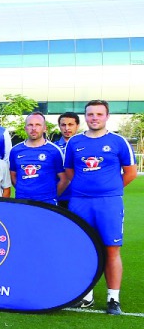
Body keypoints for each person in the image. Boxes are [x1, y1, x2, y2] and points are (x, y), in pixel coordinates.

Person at [64, 100, 136, 314]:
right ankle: (86, 296)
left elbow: (130, 173)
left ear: (107, 116)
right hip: (80, 202)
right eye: (90, 114)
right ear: (85, 117)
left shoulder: (118, 141)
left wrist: (109, 188)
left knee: (111, 249)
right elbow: (69, 171)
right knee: (84, 248)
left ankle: (113, 298)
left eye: (99, 114)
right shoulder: (75, 143)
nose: (94, 117)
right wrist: (84, 189)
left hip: (109, 203)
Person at [9, 113, 67, 204]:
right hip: (22, 201)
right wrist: (24, 191)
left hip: (47, 202)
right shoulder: (15, 150)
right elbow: (13, 175)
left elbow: (64, 179)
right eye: (30, 125)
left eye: (38, 125)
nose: (34, 128)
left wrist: (52, 196)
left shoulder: (54, 150)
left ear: (45, 128)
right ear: (25, 128)